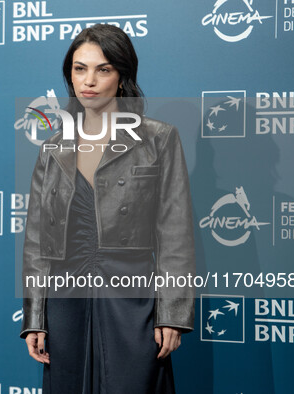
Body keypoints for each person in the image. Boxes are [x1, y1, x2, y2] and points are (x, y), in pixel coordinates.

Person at [20, 24, 195, 393]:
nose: (89, 80)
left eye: (103, 69)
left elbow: (174, 233)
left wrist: (173, 314)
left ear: (122, 74)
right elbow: (37, 241)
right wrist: (35, 317)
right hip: (66, 298)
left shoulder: (158, 139)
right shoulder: (53, 147)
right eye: (80, 68)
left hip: (132, 297)